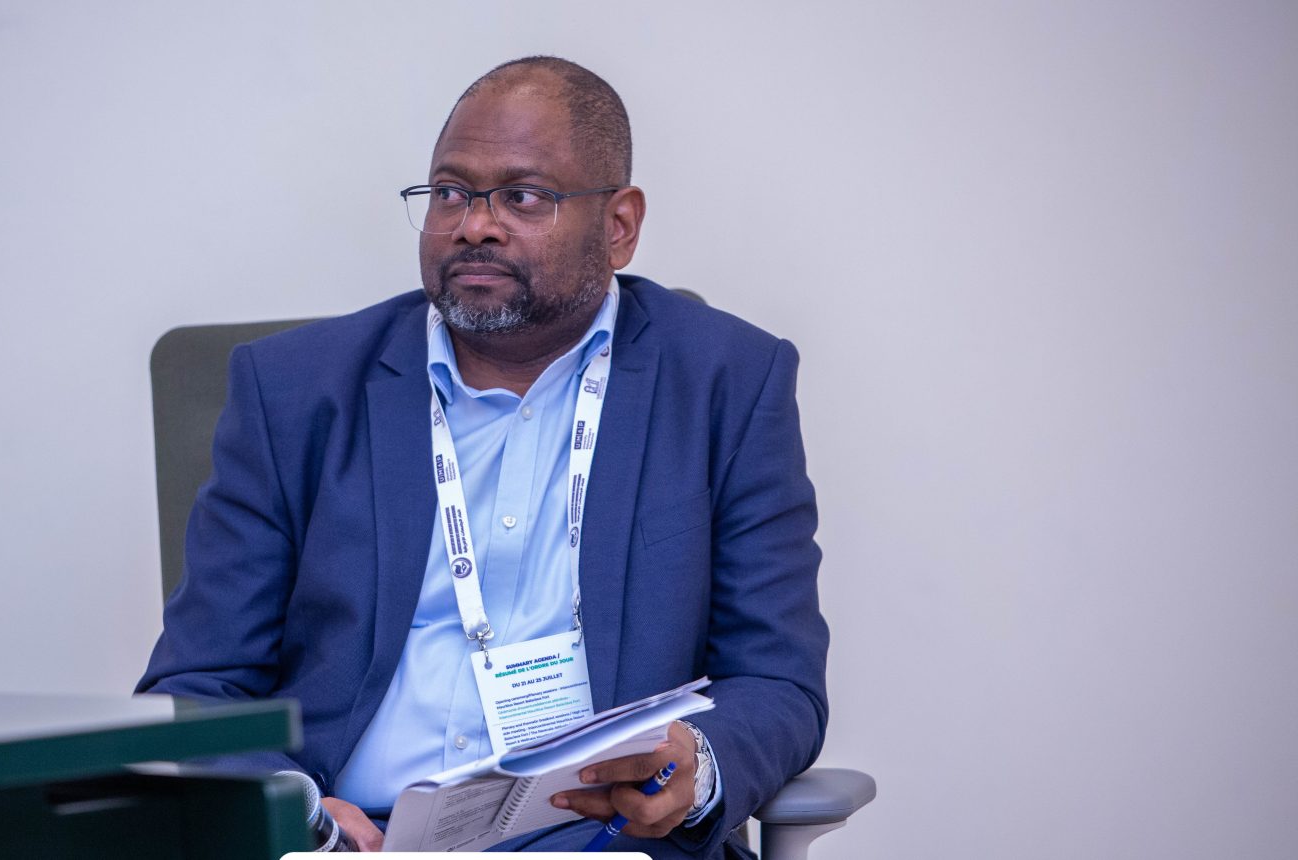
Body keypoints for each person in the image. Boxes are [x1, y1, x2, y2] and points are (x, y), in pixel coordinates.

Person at [138, 56, 828, 859]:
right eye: (451, 193)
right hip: (357, 841)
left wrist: (699, 764)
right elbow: (196, 687)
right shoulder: (294, 391)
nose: (474, 226)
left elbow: (776, 679)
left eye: (522, 197)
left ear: (619, 225)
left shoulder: (726, 383)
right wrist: (298, 808)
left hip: (602, 839)